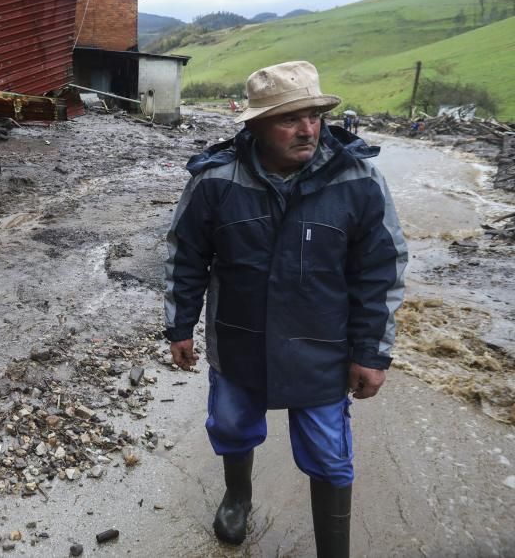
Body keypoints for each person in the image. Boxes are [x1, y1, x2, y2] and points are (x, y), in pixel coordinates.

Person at [164, 61, 407, 557]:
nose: (307, 129)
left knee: (329, 454)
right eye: (289, 118)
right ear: (254, 125)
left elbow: (380, 272)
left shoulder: (357, 180)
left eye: (314, 116)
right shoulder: (216, 182)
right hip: (237, 340)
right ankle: (238, 494)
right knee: (231, 427)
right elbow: (186, 255)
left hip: (322, 348)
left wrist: (372, 353)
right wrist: (180, 326)